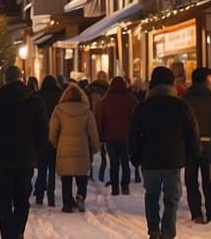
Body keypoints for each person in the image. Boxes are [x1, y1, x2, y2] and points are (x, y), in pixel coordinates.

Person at [128, 66, 199, 239]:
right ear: (171, 84)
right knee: (171, 200)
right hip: (173, 160)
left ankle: (154, 230)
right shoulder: (181, 106)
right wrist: (191, 155)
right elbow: (192, 133)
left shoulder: (143, 107)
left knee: (151, 195)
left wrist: (135, 156)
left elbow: (134, 134)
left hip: (149, 159)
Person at [0, 65, 49, 239]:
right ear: (22, 78)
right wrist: (37, 151)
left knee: (4, 200)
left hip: (1, 158)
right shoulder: (35, 102)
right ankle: (18, 230)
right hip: (26, 158)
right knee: (22, 198)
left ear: (5, 80)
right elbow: (42, 131)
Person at [49, 82, 100, 213]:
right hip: (82, 148)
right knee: (82, 177)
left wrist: (55, 143)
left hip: (64, 147)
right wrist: (94, 148)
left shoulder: (58, 110)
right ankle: (81, 195)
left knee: (66, 178)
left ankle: (67, 203)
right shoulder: (86, 111)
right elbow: (92, 132)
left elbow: (53, 131)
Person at [181, 66, 211, 224]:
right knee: (209, 181)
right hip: (209, 147)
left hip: (189, 146)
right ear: (206, 80)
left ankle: (196, 213)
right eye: (210, 79)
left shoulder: (184, 99)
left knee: (191, 180)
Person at [98, 77, 138, 196]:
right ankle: (125, 186)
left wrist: (100, 136)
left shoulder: (106, 99)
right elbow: (136, 117)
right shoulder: (130, 99)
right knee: (125, 162)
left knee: (114, 163)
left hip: (110, 137)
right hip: (126, 137)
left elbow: (101, 119)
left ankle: (115, 187)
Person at [34, 75, 64, 207]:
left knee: (41, 168)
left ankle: (39, 194)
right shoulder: (60, 96)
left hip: (41, 135)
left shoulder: (38, 96)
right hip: (56, 136)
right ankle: (51, 195)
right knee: (52, 168)